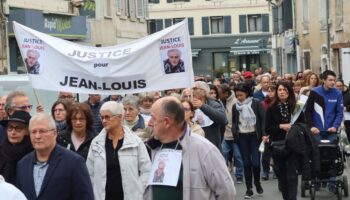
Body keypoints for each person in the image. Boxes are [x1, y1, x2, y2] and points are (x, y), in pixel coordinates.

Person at [145, 96, 235, 200]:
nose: (149, 123)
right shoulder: (150, 148)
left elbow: (227, 192)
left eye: (153, 118)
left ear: (167, 122)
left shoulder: (205, 149)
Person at [16, 113, 94, 200]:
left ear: (54, 133)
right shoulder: (22, 165)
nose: (37, 136)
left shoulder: (74, 162)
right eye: (33, 132)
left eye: (42, 131)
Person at [86, 101, 151, 200]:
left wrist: (138, 191)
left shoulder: (136, 142)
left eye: (107, 117)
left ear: (120, 117)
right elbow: (89, 173)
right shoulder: (96, 143)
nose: (104, 120)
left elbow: (147, 170)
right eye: (102, 117)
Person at [265, 81, 304, 200]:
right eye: (280, 90)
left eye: (284, 90)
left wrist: (293, 128)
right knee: (282, 177)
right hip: (278, 146)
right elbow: (267, 128)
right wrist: (281, 126)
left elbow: (303, 124)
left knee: (292, 176)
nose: (282, 92)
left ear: (289, 92)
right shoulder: (271, 108)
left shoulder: (296, 106)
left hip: (293, 145)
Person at [305, 70, 343, 193]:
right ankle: (316, 179)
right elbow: (308, 112)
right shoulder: (315, 92)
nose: (333, 82)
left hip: (331, 131)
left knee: (332, 154)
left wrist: (335, 126)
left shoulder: (337, 93)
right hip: (317, 131)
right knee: (317, 155)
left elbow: (339, 113)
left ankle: (332, 182)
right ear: (324, 80)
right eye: (330, 80)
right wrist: (311, 126)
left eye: (334, 80)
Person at [231, 83, 265, 199]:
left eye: (241, 95)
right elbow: (234, 121)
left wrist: (264, 134)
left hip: (255, 137)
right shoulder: (235, 106)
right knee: (246, 163)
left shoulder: (256, 103)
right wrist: (234, 131)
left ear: (247, 93)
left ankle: (257, 182)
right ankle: (249, 188)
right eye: (237, 95)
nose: (239, 97)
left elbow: (263, 119)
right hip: (242, 137)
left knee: (255, 163)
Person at [217, 83, 244, 183]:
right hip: (225, 134)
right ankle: (224, 176)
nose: (217, 95)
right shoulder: (220, 101)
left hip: (235, 135)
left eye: (219, 93)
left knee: (237, 156)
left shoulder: (235, 102)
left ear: (226, 93)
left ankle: (239, 175)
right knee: (222, 154)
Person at [191, 81, 227, 151]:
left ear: (204, 92)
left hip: (211, 146)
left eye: (195, 89)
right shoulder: (190, 105)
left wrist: (203, 106)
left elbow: (223, 119)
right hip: (195, 146)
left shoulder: (213, 104)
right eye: (192, 89)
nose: (192, 91)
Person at [0, 111, 32, 184]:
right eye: (10, 127)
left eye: (18, 128)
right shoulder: (2, 149)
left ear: (27, 131)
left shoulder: (34, 153)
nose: (13, 132)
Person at [261, 83, 277, 180]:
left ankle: (276, 171)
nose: (270, 93)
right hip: (266, 131)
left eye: (272, 91)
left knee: (276, 152)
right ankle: (265, 171)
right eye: (269, 91)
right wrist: (264, 134)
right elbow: (262, 120)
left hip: (275, 131)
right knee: (265, 154)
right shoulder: (263, 104)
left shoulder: (278, 103)